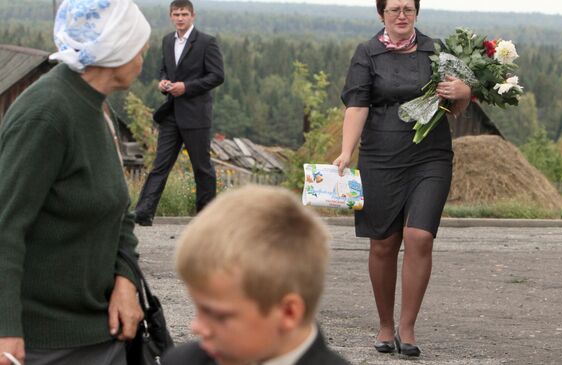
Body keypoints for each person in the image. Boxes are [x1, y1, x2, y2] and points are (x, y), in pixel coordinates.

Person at [0, 1, 151, 364]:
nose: (144, 55)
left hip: (101, 335)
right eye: (138, 46)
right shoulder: (46, 115)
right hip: (43, 345)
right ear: (114, 49)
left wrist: (125, 280)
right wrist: (6, 331)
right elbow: (5, 226)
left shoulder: (98, 108)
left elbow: (120, 213)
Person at [333, 0, 472, 357]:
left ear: (416, 13)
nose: (401, 15)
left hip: (431, 156)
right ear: (381, 14)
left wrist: (463, 94)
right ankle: (384, 324)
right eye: (393, 8)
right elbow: (357, 105)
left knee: (419, 235)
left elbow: (456, 105)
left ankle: (407, 328)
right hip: (380, 156)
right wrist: (346, 152)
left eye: (408, 8)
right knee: (383, 242)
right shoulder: (367, 53)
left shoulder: (437, 51)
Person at [161, 185, 351, 365]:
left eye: (219, 316)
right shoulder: (183, 360)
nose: (196, 327)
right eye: (198, 308)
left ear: (288, 313)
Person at [134, 0, 225, 226]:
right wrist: (163, 81)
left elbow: (217, 75)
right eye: (176, 14)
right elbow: (165, 68)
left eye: (184, 14)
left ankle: (207, 218)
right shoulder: (167, 40)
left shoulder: (206, 42)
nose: (180, 18)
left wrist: (187, 87)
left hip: (196, 116)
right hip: (171, 113)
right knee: (160, 165)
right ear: (170, 16)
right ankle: (143, 213)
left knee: (202, 168)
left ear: (193, 16)